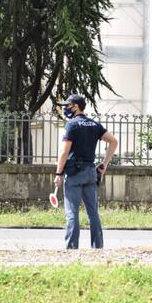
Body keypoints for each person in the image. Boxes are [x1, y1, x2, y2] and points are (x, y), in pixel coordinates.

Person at [54, 94, 118, 249]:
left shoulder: (72, 125)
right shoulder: (94, 125)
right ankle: (97, 247)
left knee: (72, 213)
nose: (65, 109)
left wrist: (58, 174)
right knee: (93, 213)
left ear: (76, 106)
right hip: (90, 172)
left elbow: (64, 152)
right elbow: (114, 141)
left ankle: (71, 248)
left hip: (74, 173)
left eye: (67, 106)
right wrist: (104, 164)